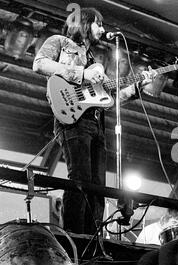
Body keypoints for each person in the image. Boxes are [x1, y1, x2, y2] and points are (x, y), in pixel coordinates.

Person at [33, 7, 155, 234]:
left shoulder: (94, 62)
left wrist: (138, 87)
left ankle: (93, 239)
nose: (102, 29)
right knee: (79, 178)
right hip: (72, 119)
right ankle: (74, 237)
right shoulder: (59, 41)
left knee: (98, 186)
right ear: (85, 23)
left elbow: (112, 99)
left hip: (97, 123)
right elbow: (39, 63)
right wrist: (81, 74)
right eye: (98, 24)